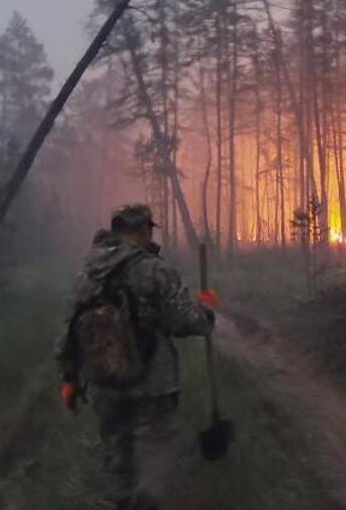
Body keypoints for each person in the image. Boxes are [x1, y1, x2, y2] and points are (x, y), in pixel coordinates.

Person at [55, 204, 215, 510]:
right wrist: (205, 318)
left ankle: (124, 502)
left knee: (119, 459)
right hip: (152, 385)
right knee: (153, 464)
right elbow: (181, 321)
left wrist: (71, 377)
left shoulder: (88, 272)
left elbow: (70, 329)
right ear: (143, 230)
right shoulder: (153, 269)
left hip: (104, 385)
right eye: (148, 229)